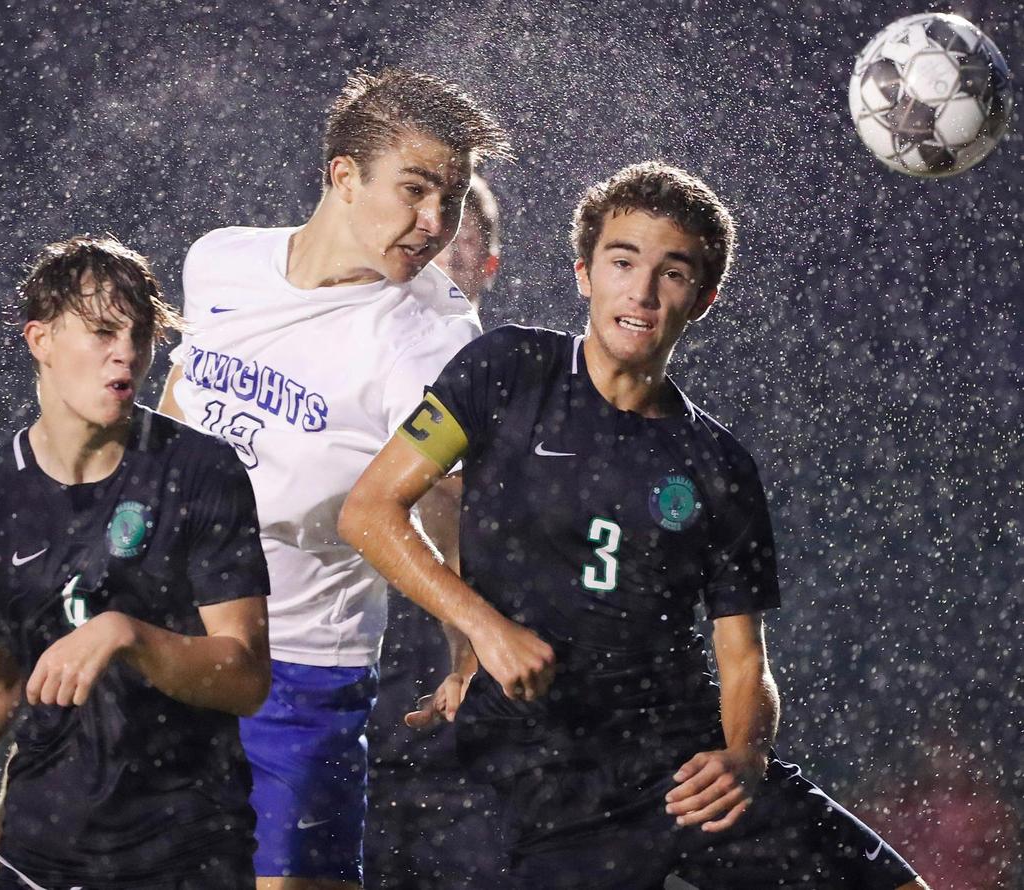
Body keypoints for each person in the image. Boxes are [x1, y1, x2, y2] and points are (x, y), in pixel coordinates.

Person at [339, 162, 931, 889]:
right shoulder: (506, 369)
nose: (642, 292)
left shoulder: (719, 465)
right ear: (584, 273)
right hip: (544, 783)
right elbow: (369, 511)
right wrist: (485, 632)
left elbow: (744, 661)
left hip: (678, 769)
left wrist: (746, 756)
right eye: (622, 261)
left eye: (672, 273)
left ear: (703, 298)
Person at [158, 68, 513, 890]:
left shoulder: (431, 338)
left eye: (451, 199)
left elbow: (455, 506)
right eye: (416, 190)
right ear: (343, 177)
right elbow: (174, 411)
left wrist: (468, 647)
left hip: (300, 667)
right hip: (169, 641)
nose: (433, 223)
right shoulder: (221, 262)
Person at [0, 235, 271, 889]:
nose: (125, 351)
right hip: (41, 854)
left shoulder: (200, 471)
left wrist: (128, 635)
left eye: (140, 332)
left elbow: (244, 677)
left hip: (188, 851)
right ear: (40, 340)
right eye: (100, 331)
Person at [365, 173, 511, 889]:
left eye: (456, 239)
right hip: (358, 703)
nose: (434, 246)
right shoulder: (361, 368)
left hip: (468, 744)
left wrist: (471, 654)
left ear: (486, 265)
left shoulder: (508, 387)